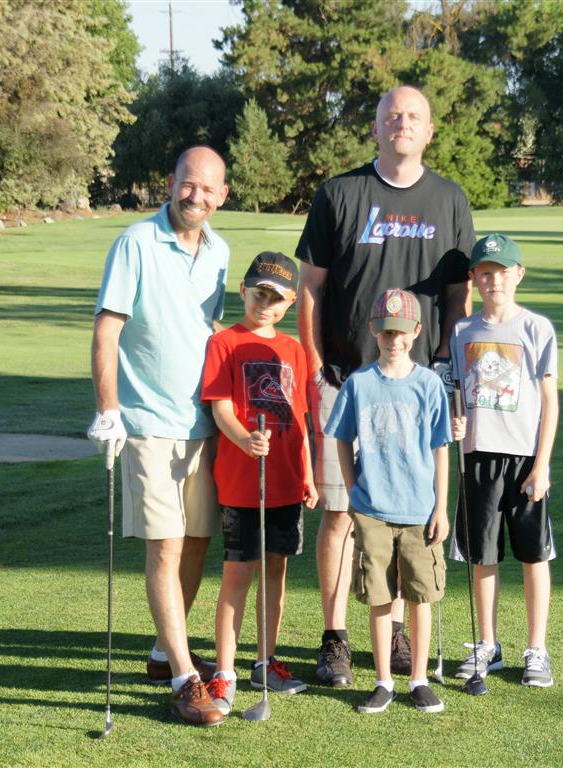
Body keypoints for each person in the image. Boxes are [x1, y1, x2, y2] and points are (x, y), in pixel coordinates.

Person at [296, 84, 474, 687]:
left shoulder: (449, 199)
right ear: (375, 128)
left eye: (414, 116)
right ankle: (335, 638)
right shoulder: (339, 194)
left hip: (417, 386)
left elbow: (457, 296)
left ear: (429, 130)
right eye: (392, 116)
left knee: (402, 513)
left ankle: (394, 630)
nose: (403, 123)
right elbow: (311, 286)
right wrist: (315, 363)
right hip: (346, 377)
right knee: (342, 512)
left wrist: (446, 367)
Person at [87, 145, 230, 727]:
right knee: (165, 547)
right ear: (170, 183)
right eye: (187, 184)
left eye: (207, 188)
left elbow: (209, 328)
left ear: (223, 196)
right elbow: (107, 329)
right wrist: (108, 410)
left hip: (203, 423)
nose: (195, 196)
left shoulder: (219, 252)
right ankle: (183, 678)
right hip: (148, 423)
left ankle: (161, 652)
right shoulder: (136, 242)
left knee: (197, 541)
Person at [200, 251, 318, 714]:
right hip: (242, 482)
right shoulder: (224, 342)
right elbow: (220, 407)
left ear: (290, 303)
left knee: (276, 574)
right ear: (243, 290)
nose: (265, 304)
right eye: (259, 294)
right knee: (238, 575)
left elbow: (300, 418)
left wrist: (308, 474)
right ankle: (225, 672)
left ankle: (265, 661)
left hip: (286, 481)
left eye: (277, 298)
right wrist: (245, 439)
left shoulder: (293, 350)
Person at [323, 288, 452, 714]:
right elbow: (342, 438)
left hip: (420, 511)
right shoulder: (360, 384)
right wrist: (353, 490)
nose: (393, 340)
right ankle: (383, 681)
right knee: (379, 596)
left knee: (420, 597)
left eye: (400, 332)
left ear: (416, 332)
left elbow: (440, 448)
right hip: (373, 510)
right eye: (385, 332)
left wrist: (441, 507)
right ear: (373, 331)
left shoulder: (429, 384)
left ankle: (418, 680)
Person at [449, 233, 560, 689]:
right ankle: (488, 645)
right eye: (485, 273)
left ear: (519, 275)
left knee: (533, 555)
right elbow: (457, 393)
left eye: (502, 272)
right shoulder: (462, 331)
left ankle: (536, 648)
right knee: (483, 555)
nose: (494, 280)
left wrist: (542, 465)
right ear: (474, 278)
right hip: (478, 457)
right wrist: (455, 421)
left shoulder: (536, 328)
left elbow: (550, 402)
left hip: (525, 459)